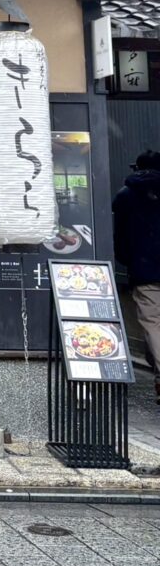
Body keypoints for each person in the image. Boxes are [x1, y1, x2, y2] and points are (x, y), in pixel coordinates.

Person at [113, 149, 160, 402]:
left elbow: (120, 239)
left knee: (153, 323)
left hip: (145, 271)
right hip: (145, 267)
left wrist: (129, 260)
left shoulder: (126, 196)